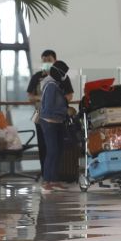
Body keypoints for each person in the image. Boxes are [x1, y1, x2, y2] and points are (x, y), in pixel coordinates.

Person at [27, 50, 74, 173]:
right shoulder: (37, 77)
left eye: (49, 60)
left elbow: (70, 95)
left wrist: (58, 101)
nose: (46, 62)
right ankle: (46, 174)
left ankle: (56, 175)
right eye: (44, 60)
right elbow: (29, 95)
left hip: (58, 116)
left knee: (57, 146)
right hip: (40, 115)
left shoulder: (62, 77)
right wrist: (42, 98)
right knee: (43, 146)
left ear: (55, 61)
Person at [39, 61, 71, 193]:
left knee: (57, 151)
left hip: (57, 122)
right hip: (49, 122)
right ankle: (47, 181)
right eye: (63, 74)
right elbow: (49, 108)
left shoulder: (55, 84)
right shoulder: (51, 86)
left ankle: (54, 180)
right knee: (52, 151)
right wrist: (65, 111)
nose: (64, 77)